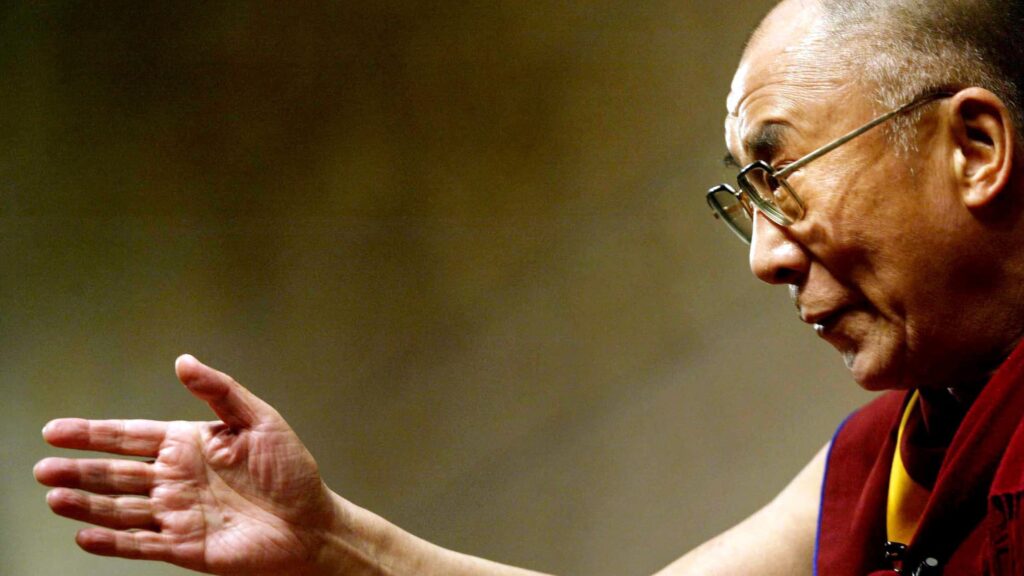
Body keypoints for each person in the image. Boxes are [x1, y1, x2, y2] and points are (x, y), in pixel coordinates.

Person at [34, 0, 1024, 573]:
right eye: (748, 200)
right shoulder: (892, 460)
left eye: (781, 177)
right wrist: (331, 537)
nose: (765, 256)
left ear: (975, 149)